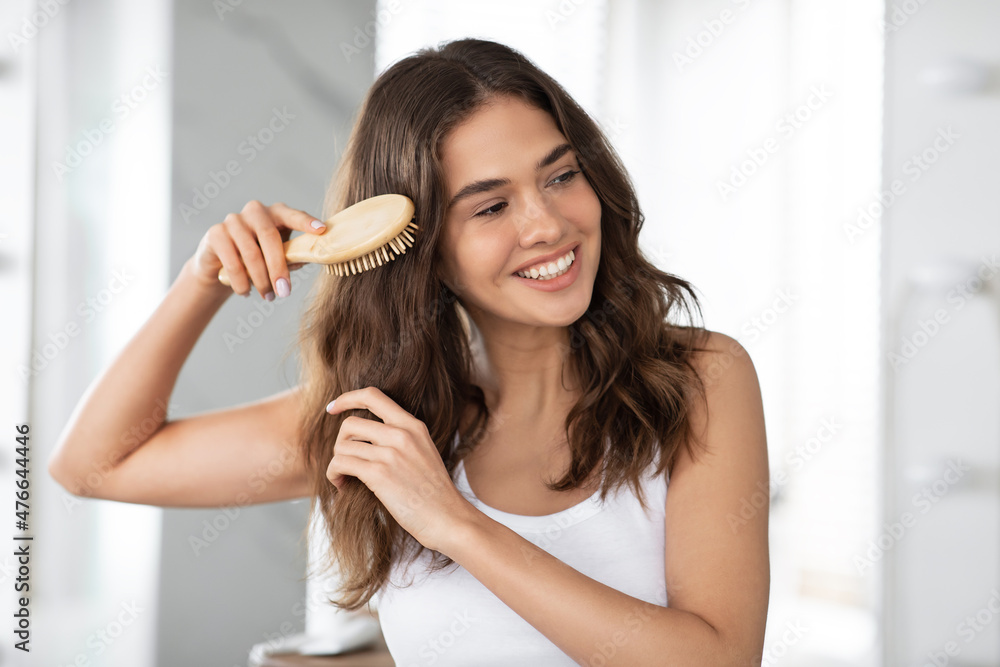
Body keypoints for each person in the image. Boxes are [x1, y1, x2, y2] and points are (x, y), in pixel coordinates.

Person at [49, 37, 769, 665]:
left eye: (560, 175)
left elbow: (718, 659)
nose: (548, 223)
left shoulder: (698, 380)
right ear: (419, 248)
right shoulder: (383, 425)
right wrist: (202, 279)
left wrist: (456, 522)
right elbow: (93, 464)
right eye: (491, 207)